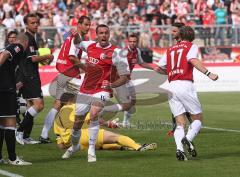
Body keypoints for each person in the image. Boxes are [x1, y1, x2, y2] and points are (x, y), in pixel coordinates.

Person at [64, 24, 130, 162]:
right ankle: (75, 146)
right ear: (97, 35)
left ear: (109, 34)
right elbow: (77, 43)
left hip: (103, 89)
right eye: (101, 33)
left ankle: (91, 150)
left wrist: (112, 84)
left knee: (94, 113)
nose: (103, 35)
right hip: (86, 89)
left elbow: (125, 76)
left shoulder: (117, 52)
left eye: (106, 33)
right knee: (77, 123)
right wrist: (76, 34)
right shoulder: (89, 45)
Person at [155, 26, 218, 161]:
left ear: (181, 35)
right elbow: (193, 60)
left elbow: (159, 68)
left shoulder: (170, 49)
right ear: (192, 36)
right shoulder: (191, 46)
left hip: (171, 86)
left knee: (179, 122)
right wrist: (209, 73)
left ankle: (179, 150)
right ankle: (188, 139)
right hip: (185, 84)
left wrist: (173, 71)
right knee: (198, 118)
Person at [54, 93, 157, 159]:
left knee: (102, 146)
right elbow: (94, 117)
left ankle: (127, 148)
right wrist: (110, 124)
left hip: (74, 143)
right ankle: (138, 147)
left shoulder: (57, 118)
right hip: (85, 135)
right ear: (70, 101)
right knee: (116, 137)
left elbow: (60, 145)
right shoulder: (75, 107)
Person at [39, 16, 91, 144]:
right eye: (85, 24)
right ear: (79, 24)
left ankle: (44, 134)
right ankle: (84, 131)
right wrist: (85, 68)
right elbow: (72, 57)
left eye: (89, 25)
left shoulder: (72, 37)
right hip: (70, 75)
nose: (88, 27)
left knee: (58, 104)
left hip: (62, 74)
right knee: (89, 97)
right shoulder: (76, 38)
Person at [100, 33, 155, 128]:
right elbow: (112, 62)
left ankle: (125, 122)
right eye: (130, 41)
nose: (132, 43)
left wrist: (154, 68)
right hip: (120, 80)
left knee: (133, 102)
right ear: (127, 42)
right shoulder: (122, 52)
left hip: (128, 80)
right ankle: (104, 110)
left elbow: (141, 63)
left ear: (137, 42)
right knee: (126, 105)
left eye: (134, 41)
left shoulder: (137, 51)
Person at [15, 13, 54, 145]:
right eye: (32, 23)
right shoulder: (28, 38)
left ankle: (26, 136)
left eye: (37, 22)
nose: (36, 25)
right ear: (26, 24)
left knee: (30, 106)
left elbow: (31, 59)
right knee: (39, 105)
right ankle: (19, 131)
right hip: (29, 76)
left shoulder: (30, 38)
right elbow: (32, 58)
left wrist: (41, 61)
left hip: (27, 75)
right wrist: (48, 56)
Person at [0, 33, 31, 165]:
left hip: (4, 88)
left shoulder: (7, 48)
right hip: (6, 91)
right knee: (10, 123)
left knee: (1, 124)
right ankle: (13, 159)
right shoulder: (18, 46)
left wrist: (15, 83)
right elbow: (6, 54)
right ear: (26, 43)